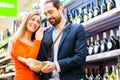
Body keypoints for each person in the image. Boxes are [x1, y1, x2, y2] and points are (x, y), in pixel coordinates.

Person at [31, 0, 87, 80]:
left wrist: (56, 65)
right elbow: (41, 59)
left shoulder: (77, 29)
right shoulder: (45, 33)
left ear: (60, 9)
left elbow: (80, 57)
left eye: (50, 12)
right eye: (46, 14)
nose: (48, 17)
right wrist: (37, 68)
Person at [8, 11, 45, 80]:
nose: (35, 23)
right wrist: (38, 41)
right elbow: (29, 61)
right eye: (32, 19)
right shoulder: (16, 41)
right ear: (26, 21)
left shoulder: (36, 42)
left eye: (38, 22)